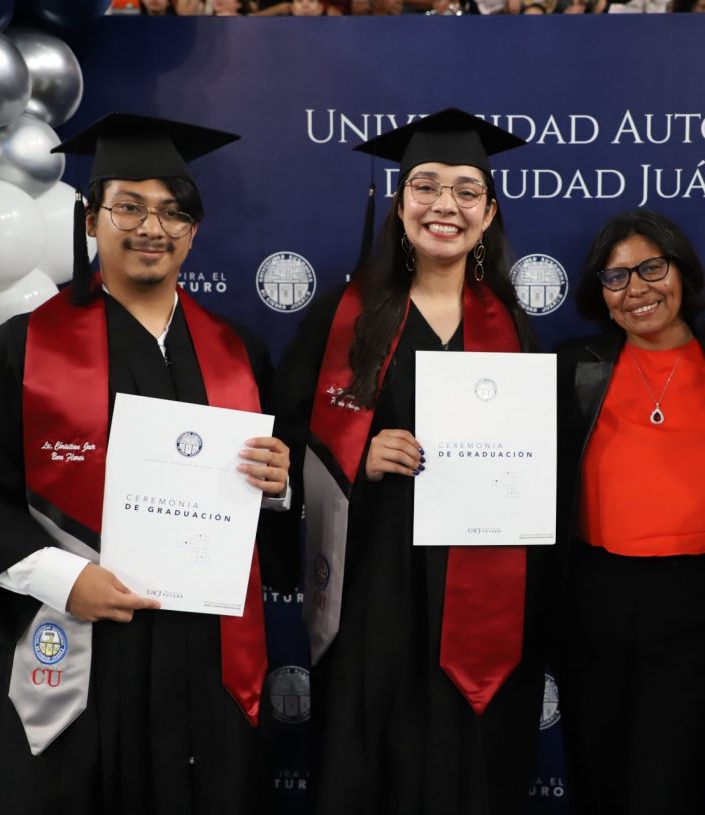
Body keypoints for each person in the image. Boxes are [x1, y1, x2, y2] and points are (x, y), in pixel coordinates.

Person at [0, 113, 291, 815]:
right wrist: (68, 578)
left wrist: (276, 484)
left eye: (172, 212)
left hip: (202, 650)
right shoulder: (22, 348)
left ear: (193, 232)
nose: (152, 227)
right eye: (129, 207)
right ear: (91, 219)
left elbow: (267, 496)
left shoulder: (239, 352)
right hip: (73, 640)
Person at [271, 108, 553, 815]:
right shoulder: (343, 316)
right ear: (400, 206)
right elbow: (282, 438)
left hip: (478, 579)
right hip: (375, 579)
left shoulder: (513, 326)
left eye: (466, 191)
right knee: (373, 752)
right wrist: (356, 453)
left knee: (468, 762)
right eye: (425, 187)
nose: (444, 206)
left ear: (489, 214)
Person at [556, 210, 705, 815]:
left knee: (670, 774)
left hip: (698, 595)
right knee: (595, 766)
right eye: (615, 277)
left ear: (682, 271)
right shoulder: (570, 365)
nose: (635, 289)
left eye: (651, 269)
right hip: (592, 593)